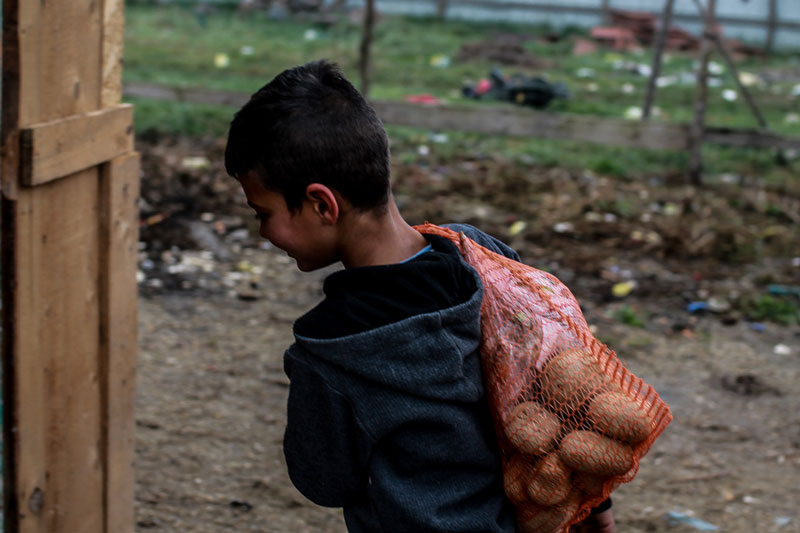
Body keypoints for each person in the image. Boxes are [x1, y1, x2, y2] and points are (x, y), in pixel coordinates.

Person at [224, 59, 615, 532]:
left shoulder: (330, 348)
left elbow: (323, 482)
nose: (263, 232)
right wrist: (599, 514)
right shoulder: (481, 254)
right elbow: (563, 390)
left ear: (321, 204)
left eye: (261, 213)